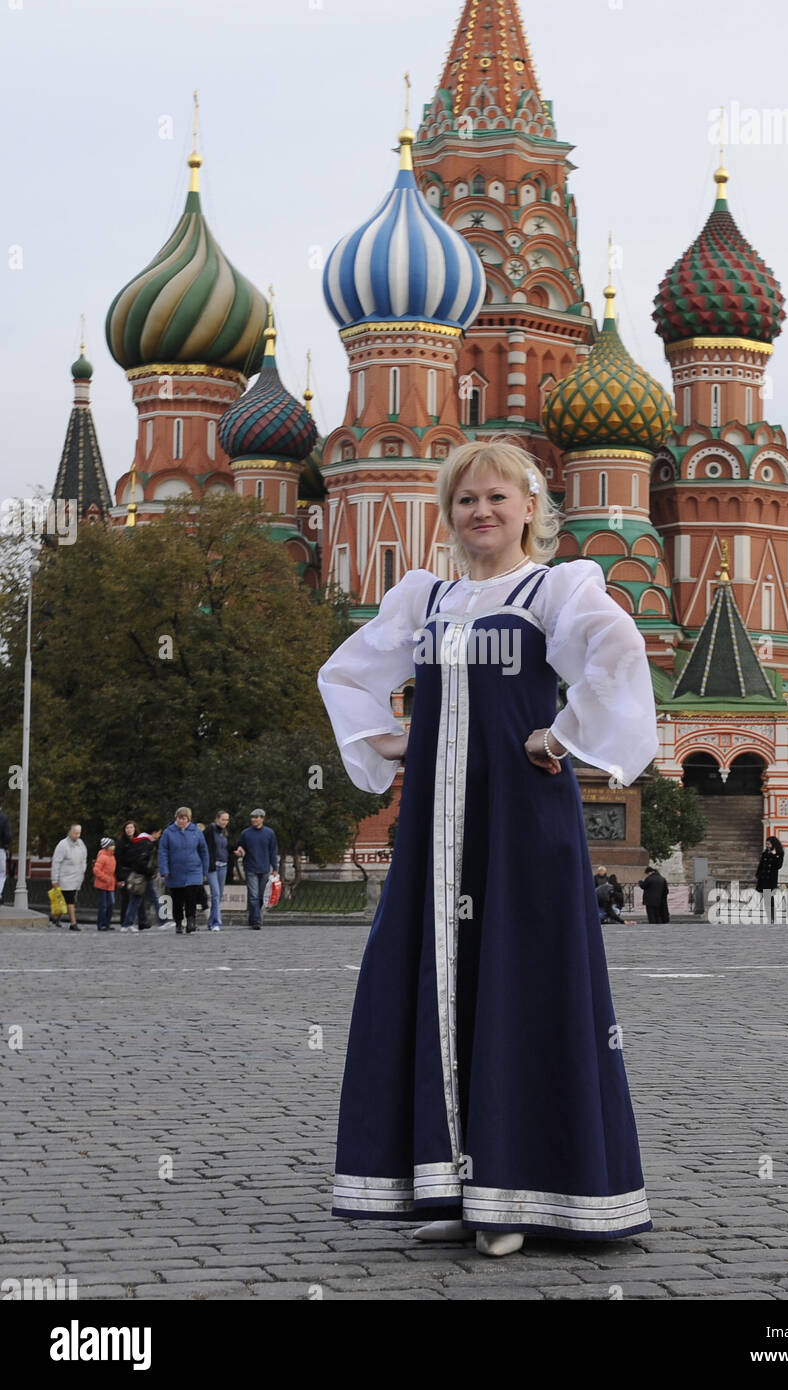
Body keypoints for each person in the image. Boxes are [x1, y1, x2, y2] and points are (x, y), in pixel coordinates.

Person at [317, 439, 659, 1257]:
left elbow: (616, 657)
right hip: (435, 832)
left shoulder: (556, 588)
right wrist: (384, 738)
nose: (482, 512)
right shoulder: (424, 596)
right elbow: (346, 671)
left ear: (531, 510)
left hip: (521, 825)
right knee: (430, 983)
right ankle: (446, 1183)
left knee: (518, 986)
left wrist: (561, 737)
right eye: (466, 500)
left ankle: (511, 1195)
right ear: (449, 514)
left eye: (498, 499)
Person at [158, 808, 209, 935]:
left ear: (188, 819)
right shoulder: (168, 832)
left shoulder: (196, 831)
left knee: (191, 896)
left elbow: (203, 850)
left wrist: (205, 869)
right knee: (177, 899)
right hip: (175, 871)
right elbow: (163, 852)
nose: (181, 820)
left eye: (184, 818)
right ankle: (179, 922)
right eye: (179, 818)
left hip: (193, 869)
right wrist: (164, 869)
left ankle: (191, 920)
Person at [234, 810, 279, 930]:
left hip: (264, 868)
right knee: (253, 895)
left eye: (256, 817)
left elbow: (273, 851)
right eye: (252, 817)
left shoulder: (269, 833)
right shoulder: (246, 833)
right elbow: (240, 846)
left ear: (262, 818)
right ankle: (257, 921)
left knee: (261, 896)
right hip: (250, 868)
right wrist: (239, 851)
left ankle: (253, 916)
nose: (254, 819)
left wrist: (275, 867)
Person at [120, 828, 159, 933]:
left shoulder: (138, 841)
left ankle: (127, 923)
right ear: (154, 832)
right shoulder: (146, 843)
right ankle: (164, 920)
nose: (159, 836)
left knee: (135, 900)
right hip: (143, 876)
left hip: (139, 875)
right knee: (153, 898)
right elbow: (142, 861)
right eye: (159, 833)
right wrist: (150, 872)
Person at [51, 823, 88, 931]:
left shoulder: (81, 844)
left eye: (79, 833)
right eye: (75, 833)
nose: (77, 835)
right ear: (69, 832)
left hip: (76, 878)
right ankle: (73, 923)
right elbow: (56, 862)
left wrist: (83, 871)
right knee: (70, 900)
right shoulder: (62, 845)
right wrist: (55, 879)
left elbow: (84, 859)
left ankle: (56, 918)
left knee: (65, 901)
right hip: (65, 878)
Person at [203, 810, 231, 932]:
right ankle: (216, 922)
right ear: (217, 819)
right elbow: (206, 847)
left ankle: (211, 921)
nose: (225, 822)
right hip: (213, 866)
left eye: (227, 820)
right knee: (215, 894)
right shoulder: (210, 830)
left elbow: (226, 847)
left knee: (218, 896)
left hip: (223, 865)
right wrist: (208, 863)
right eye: (223, 819)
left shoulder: (224, 832)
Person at [755, 835, 785, 924]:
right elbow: (761, 864)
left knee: (770, 899)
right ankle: (769, 916)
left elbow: (779, 865)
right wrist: (758, 874)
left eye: (768, 844)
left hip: (770, 880)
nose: (767, 845)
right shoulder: (765, 853)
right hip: (763, 879)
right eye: (766, 844)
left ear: (773, 844)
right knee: (766, 899)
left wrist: (774, 855)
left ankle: (772, 917)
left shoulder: (779, 853)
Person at [93, 837, 117, 931]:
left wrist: (115, 881)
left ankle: (107, 923)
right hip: (102, 884)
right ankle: (101, 924)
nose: (113, 846)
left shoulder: (112, 857)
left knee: (111, 904)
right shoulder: (102, 857)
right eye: (111, 845)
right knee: (103, 905)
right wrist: (105, 878)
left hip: (110, 885)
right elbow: (96, 870)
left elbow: (113, 872)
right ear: (107, 847)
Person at [0, 799, 13, 902]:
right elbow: (8, 836)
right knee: (1, 873)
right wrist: (4, 845)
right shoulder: (4, 819)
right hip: (0, 849)